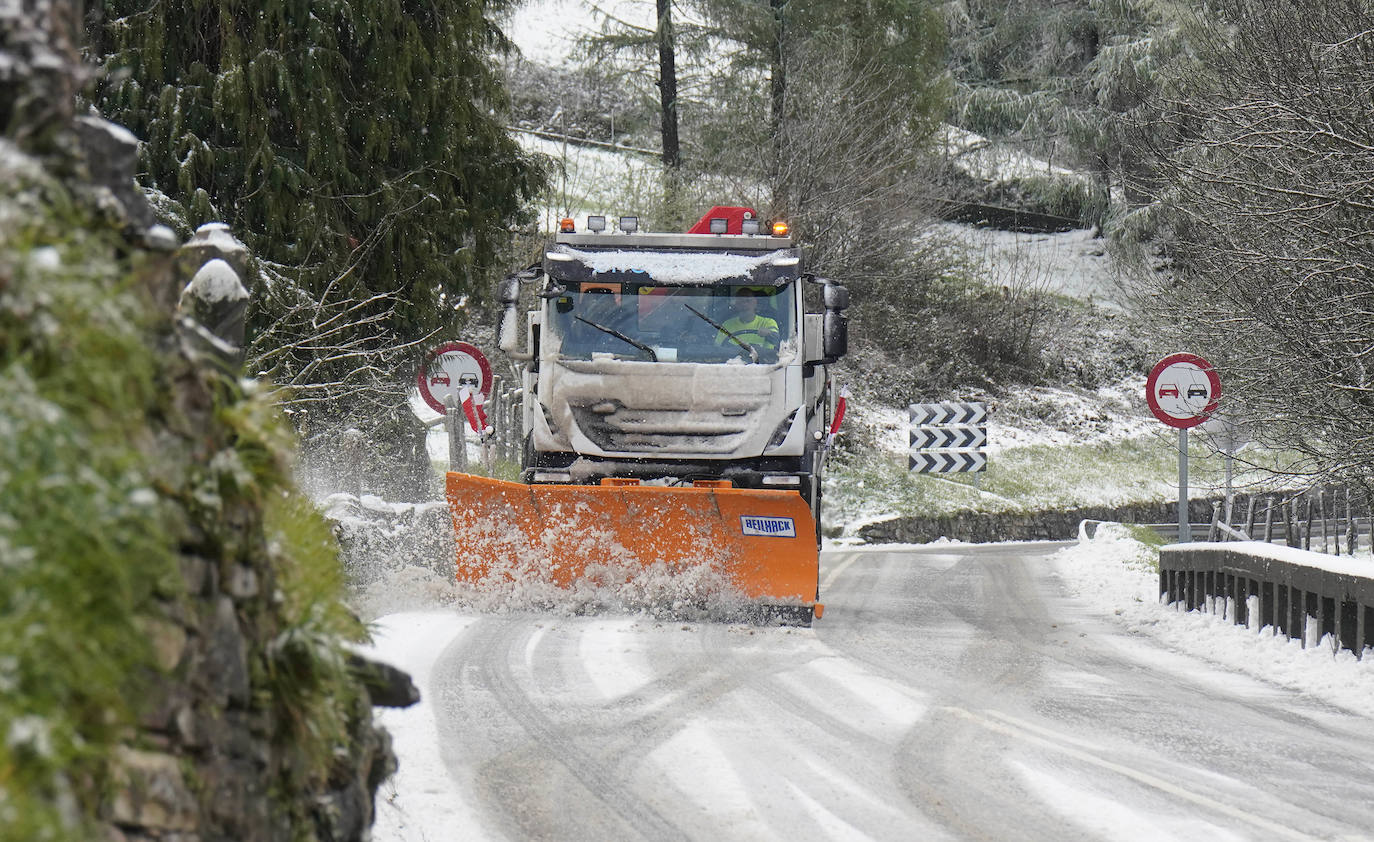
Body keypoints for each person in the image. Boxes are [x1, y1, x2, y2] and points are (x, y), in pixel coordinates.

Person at [714, 288, 779, 350]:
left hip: (762, 361)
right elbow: (718, 349)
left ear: (755, 302)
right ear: (736, 305)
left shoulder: (768, 323)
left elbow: (777, 339)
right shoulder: (727, 325)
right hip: (732, 361)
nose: (744, 304)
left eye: (748, 300)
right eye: (740, 301)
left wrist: (769, 334)